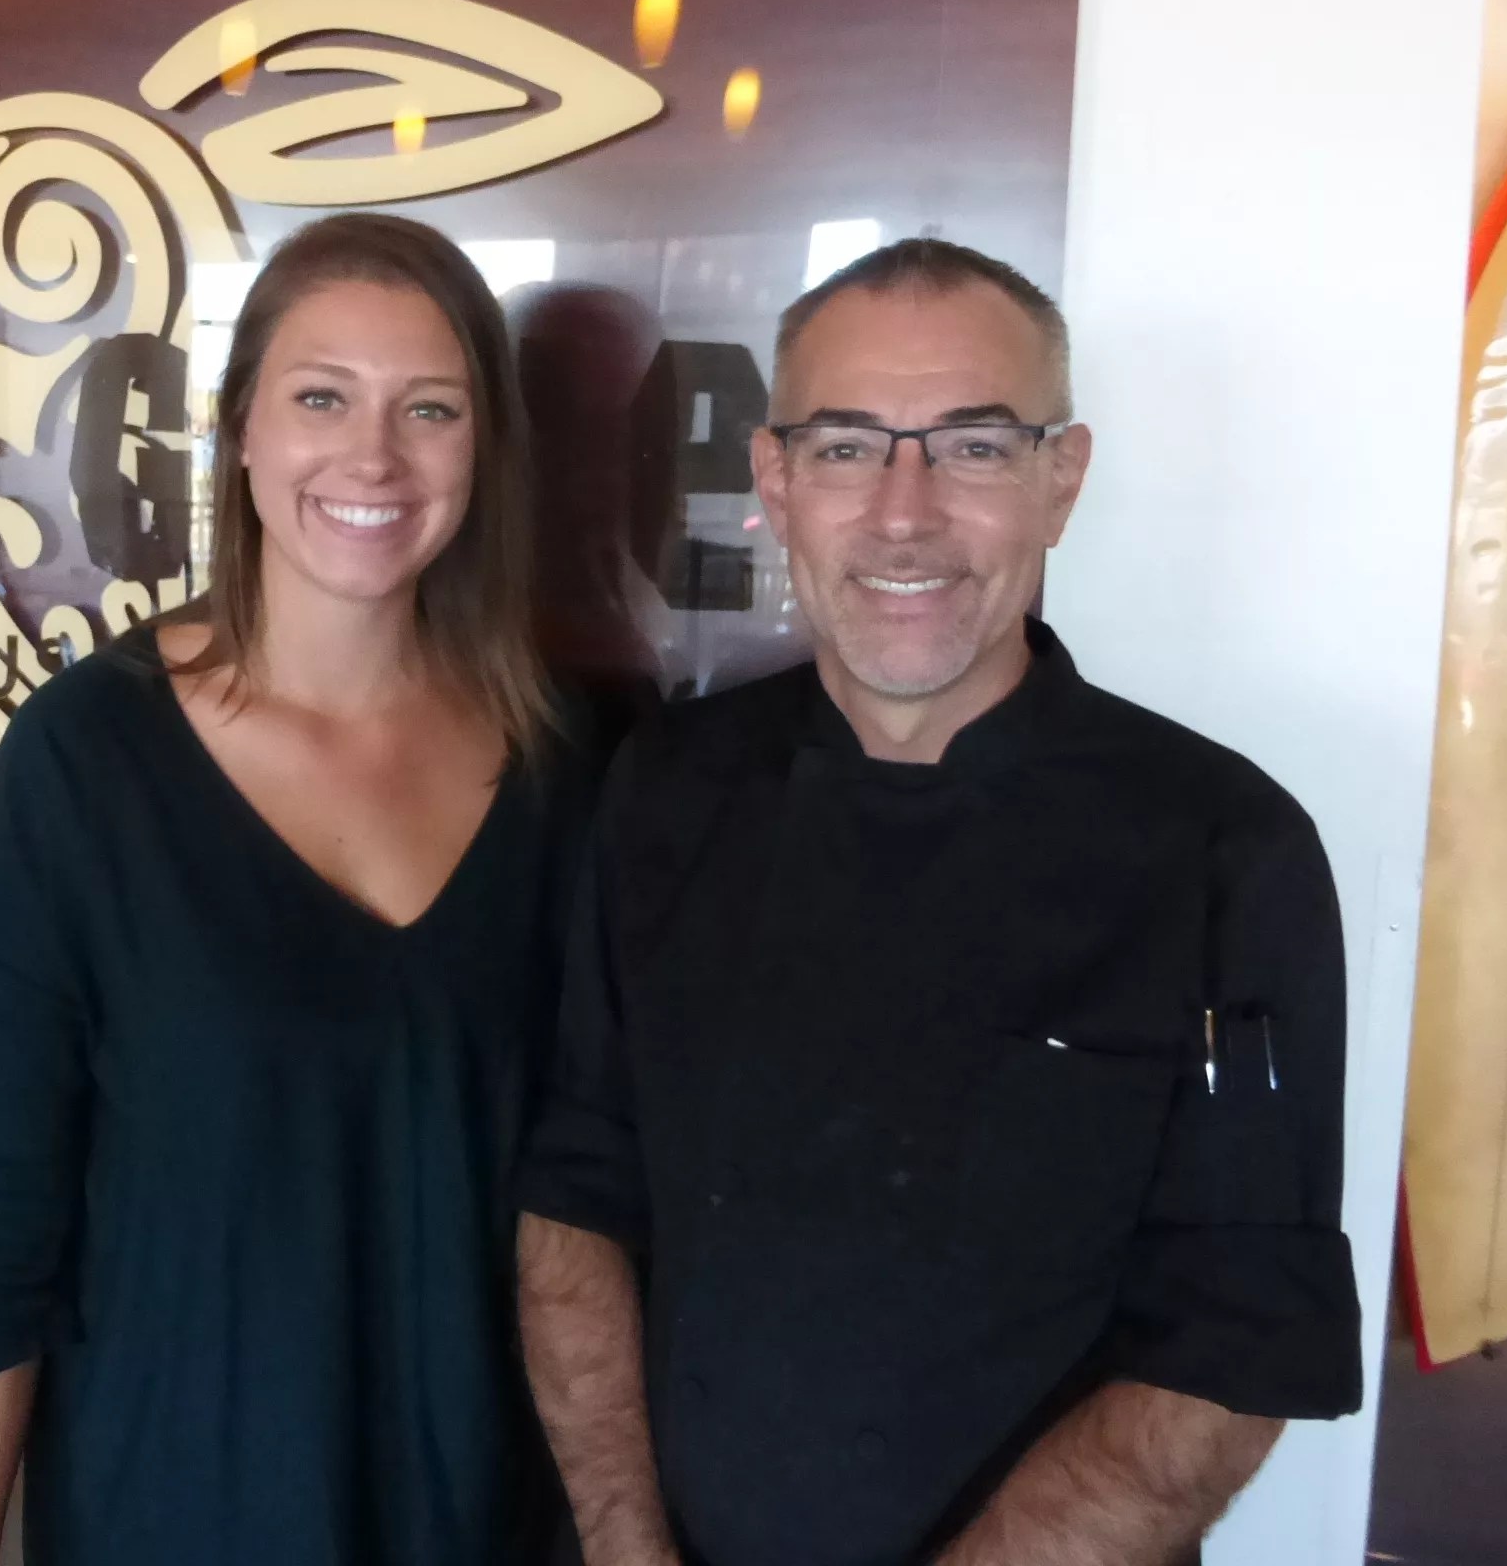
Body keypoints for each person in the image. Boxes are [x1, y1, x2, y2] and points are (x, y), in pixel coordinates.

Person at [514, 238, 1362, 1566]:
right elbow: (578, 1196)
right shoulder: (663, 792)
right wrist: (627, 1546)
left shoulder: (1225, 849)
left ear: (1060, 481)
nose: (903, 515)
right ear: (776, 481)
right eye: (847, 448)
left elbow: (1235, 1341)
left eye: (973, 447)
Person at [0, 213, 580, 1566]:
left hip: (487, 1523)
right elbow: (1, 1236)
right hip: (172, 1516)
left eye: (431, 408)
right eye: (322, 396)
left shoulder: (568, 770)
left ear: (484, 448)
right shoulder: (84, 765)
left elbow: (589, 1211)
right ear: (240, 432)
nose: (373, 455)